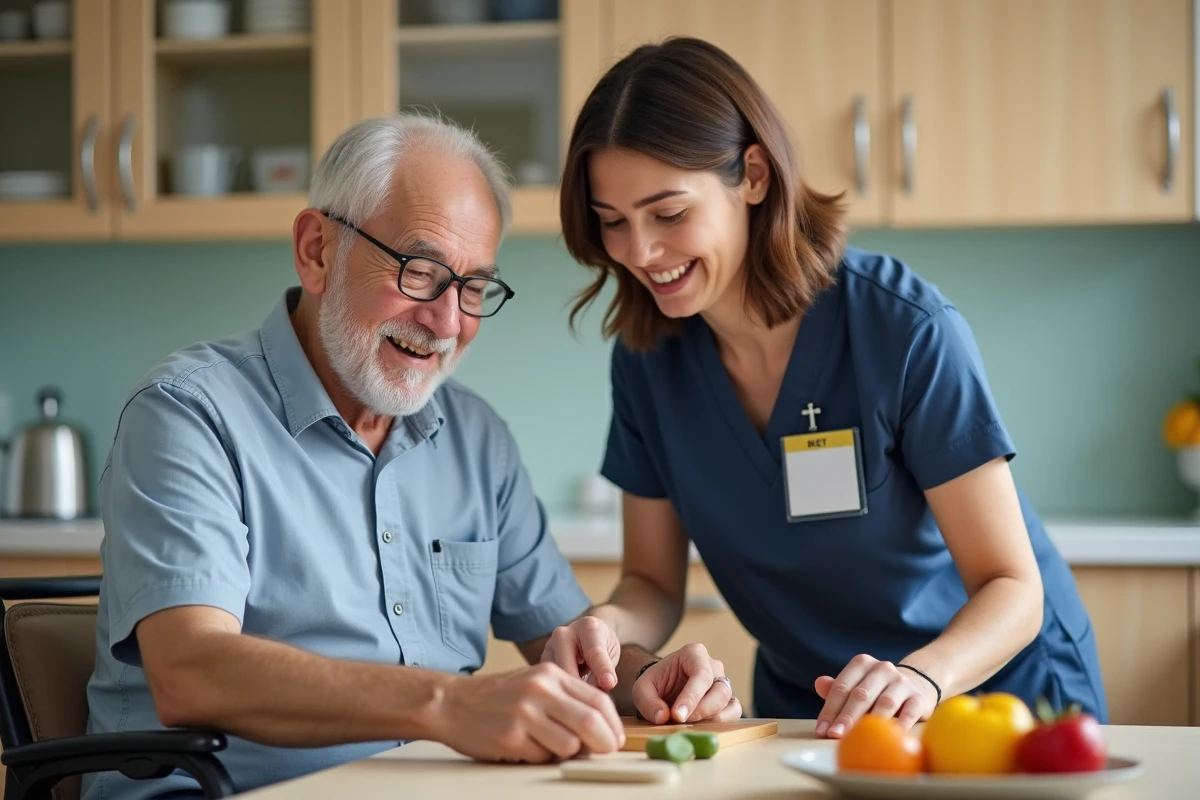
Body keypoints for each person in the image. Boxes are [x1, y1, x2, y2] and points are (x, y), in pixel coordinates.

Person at [553, 37, 1107, 738]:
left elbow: (1013, 589)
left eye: (668, 214)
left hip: (992, 698)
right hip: (812, 708)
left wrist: (920, 678)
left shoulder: (902, 329)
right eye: (613, 223)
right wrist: (601, 629)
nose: (640, 253)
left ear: (753, 175)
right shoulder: (648, 358)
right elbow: (654, 586)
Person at [84, 114, 633, 800]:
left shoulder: (475, 437)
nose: (447, 322)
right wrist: (450, 705)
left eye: (472, 288)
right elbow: (191, 670)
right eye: (420, 270)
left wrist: (648, 678)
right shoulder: (188, 413)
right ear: (316, 250)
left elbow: (572, 646)